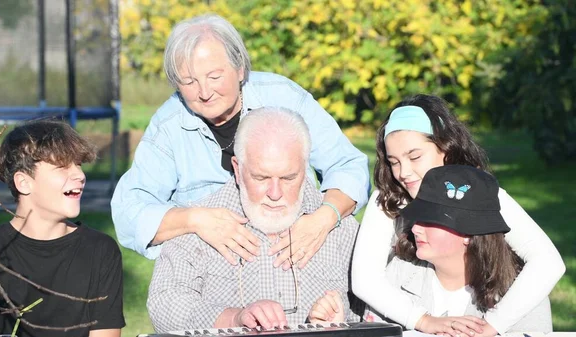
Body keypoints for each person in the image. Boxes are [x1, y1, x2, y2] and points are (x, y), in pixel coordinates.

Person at [111, 14, 369, 265]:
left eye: (214, 77)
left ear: (240, 69)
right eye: (189, 81)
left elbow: (349, 167)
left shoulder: (285, 98)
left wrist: (322, 219)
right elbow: (128, 213)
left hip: (297, 261)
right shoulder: (168, 126)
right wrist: (195, 219)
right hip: (217, 276)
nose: (204, 92)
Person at [352, 95, 565, 336]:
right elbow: (365, 279)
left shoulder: (479, 192)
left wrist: (493, 325)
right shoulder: (390, 197)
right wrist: (423, 320)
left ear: (445, 147)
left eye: (414, 157)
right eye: (394, 162)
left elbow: (547, 262)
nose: (404, 172)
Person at [146, 108, 360, 332]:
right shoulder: (200, 223)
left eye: (288, 177)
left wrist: (338, 321)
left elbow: (374, 311)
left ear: (304, 168)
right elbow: (164, 303)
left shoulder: (338, 227)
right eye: (261, 177)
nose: (275, 193)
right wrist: (234, 320)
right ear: (238, 169)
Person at [325, 166, 552, 333]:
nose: (415, 228)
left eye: (431, 221)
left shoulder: (523, 295)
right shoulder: (396, 278)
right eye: (417, 218)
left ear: (469, 234)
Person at [0, 120, 125, 337]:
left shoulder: (100, 251)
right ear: (24, 183)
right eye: (62, 166)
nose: (80, 176)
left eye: (79, 165)